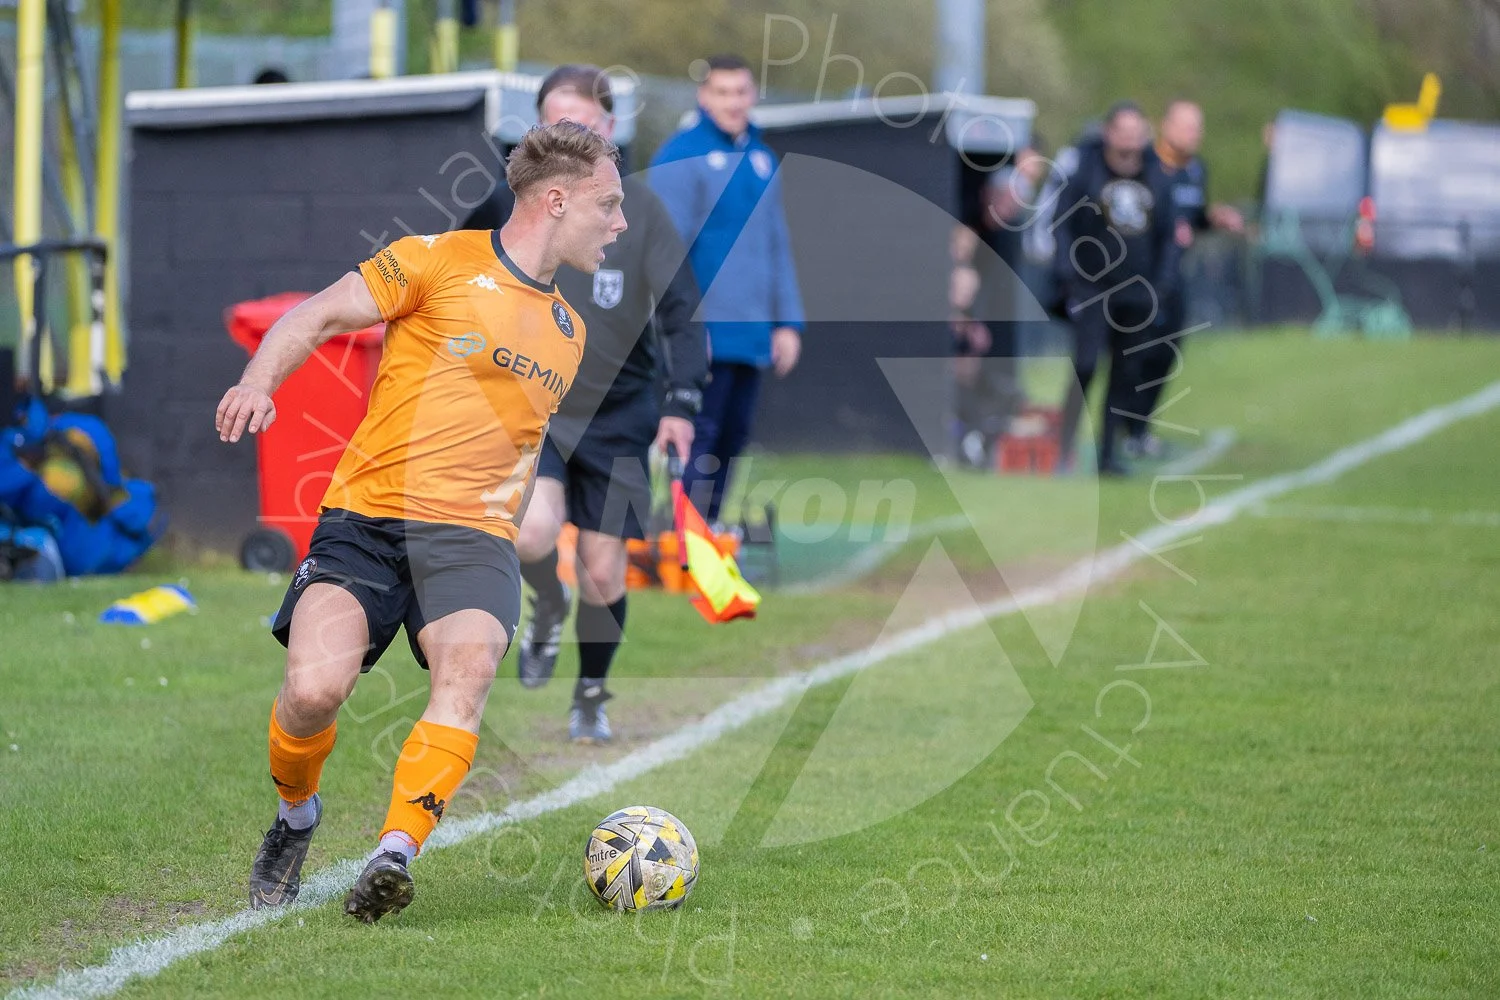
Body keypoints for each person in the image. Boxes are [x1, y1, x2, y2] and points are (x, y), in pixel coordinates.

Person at [217, 121, 625, 923]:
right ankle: (296, 817)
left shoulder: (570, 334)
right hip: (366, 522)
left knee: (466, 671)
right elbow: (316, 317)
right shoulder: (436, 258)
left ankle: (392, 855)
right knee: (312, 692)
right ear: (556, 199)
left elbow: (524, 444)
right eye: (608, 206)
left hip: (470, 543)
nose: (619, 223)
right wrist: (259, 379)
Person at [463, 65, 708, 743]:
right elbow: (455, 279)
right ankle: (547, 601)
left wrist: (680, 404)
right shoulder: (505, 206)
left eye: (585, 122)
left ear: (608, 128)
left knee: (605, 568)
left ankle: (591, 693)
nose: (570, 133)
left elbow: (682, 311)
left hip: (622, 415)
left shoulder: (640, 212)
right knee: (533, 533)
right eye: (555, 122)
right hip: (535, 410)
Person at [648, 54, 804, 524]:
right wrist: (683, 328)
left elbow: (776, 244)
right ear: (703, 96)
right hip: (704, 329)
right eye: (722, 92)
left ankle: (706, 532)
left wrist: (788, 323)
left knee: (734, 436)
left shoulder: (761, 157)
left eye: (741, 92)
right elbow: (665, 252)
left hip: (751, 330)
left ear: (753, 96)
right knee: (700, 434)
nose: (733, 102)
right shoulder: (681, 156)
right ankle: (681, 537)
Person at [1051, 101, 1179, 476]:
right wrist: (1066, 274)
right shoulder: (1086, 174)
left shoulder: (1157, 178)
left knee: (1125, 373)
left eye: (1136, 131)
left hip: (1137, 293)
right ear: (1108, 133)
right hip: (1091, 288)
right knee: (1087, 365)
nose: (1129, 139)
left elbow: (1169, 236)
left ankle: (1108, 455)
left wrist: (1162, 283)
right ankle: (1063, 448)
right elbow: (1061, 225)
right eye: (1122, 130)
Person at [1126, 99, 1246, 457]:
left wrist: (1214, 220)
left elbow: (1190, 222)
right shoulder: (1146, 166)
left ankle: (1140, 426)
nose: (1195, 134)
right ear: (1166, 126)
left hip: (1173, 278)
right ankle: (1124, 425)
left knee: (1166, 352)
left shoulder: (1196, 171)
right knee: (1134, 353)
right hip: (1140, 275)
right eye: (1188, 126)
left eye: (1198, 127)